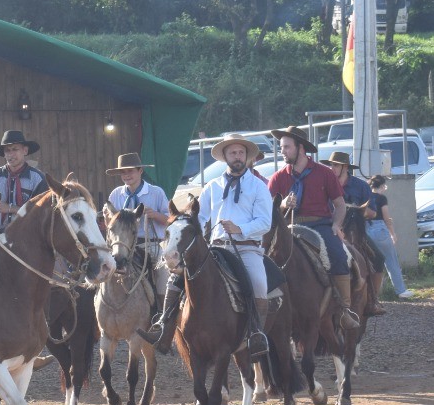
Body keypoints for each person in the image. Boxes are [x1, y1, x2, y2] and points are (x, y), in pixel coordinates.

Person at [149, 133, 271, 357]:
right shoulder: (212, 187)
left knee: (259, 283)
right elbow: (200, 218)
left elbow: (265, 221)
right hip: (216, 248)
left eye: (241, 152)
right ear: (225, 156)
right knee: (175, 280)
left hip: (247, 247)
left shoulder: (258, 186)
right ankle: (163, 327)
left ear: (246, 156)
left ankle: (256, 333)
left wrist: (240, 228)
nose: (237, 156)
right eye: (233, 152)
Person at [262, 127, 361, 335]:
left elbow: (340, 205)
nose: (283, 152)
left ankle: (344, 309)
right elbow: (266, 210)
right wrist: (282, 206)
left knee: (338, 255)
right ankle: (266, 309)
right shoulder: (278, 178)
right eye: (281, 148)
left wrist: (336, 225)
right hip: (289, 227)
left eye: (287, 147)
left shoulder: (324, 173)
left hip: (320, 225)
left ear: (300, 148)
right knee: (266, 259)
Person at [323, 150, 385, 315]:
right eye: (330, 165)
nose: (332, 168)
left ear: (345, 167)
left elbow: (372, 212)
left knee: (378, 258)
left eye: (335, 165)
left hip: (355, 233)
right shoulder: (325, 183)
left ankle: (373, 299)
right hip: (332, 230)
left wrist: (354, 211)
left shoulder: (361, 186)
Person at [107, 153, 172, 305]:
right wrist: (107, 218)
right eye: (123, 172)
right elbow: (110, 226)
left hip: (151, 244)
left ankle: (164, 311)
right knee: (103, 271)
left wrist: (154, 214)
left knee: (163, 275)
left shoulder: (156, 192)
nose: (126, 175)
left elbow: (170, 221)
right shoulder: (116, 194)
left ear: (140, 171)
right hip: (122, 246)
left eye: (130, 171)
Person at [0, 129, 47, 234]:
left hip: (27, 235)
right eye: (7, 150)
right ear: (3, 153)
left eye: (15, 149)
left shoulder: (38, 179)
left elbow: (41, 212)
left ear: (25, 151)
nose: (11, 154)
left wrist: (10, 208)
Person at [365, 174, 413, 299]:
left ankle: (370, 293)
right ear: (381, 186)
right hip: (379, 229)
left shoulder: (365, 196)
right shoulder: (381, 198)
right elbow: (386, 218)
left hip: (365, 229)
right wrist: (392, 233)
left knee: (367, 262)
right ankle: (401, 290)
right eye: (384, 186)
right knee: (391, 261)